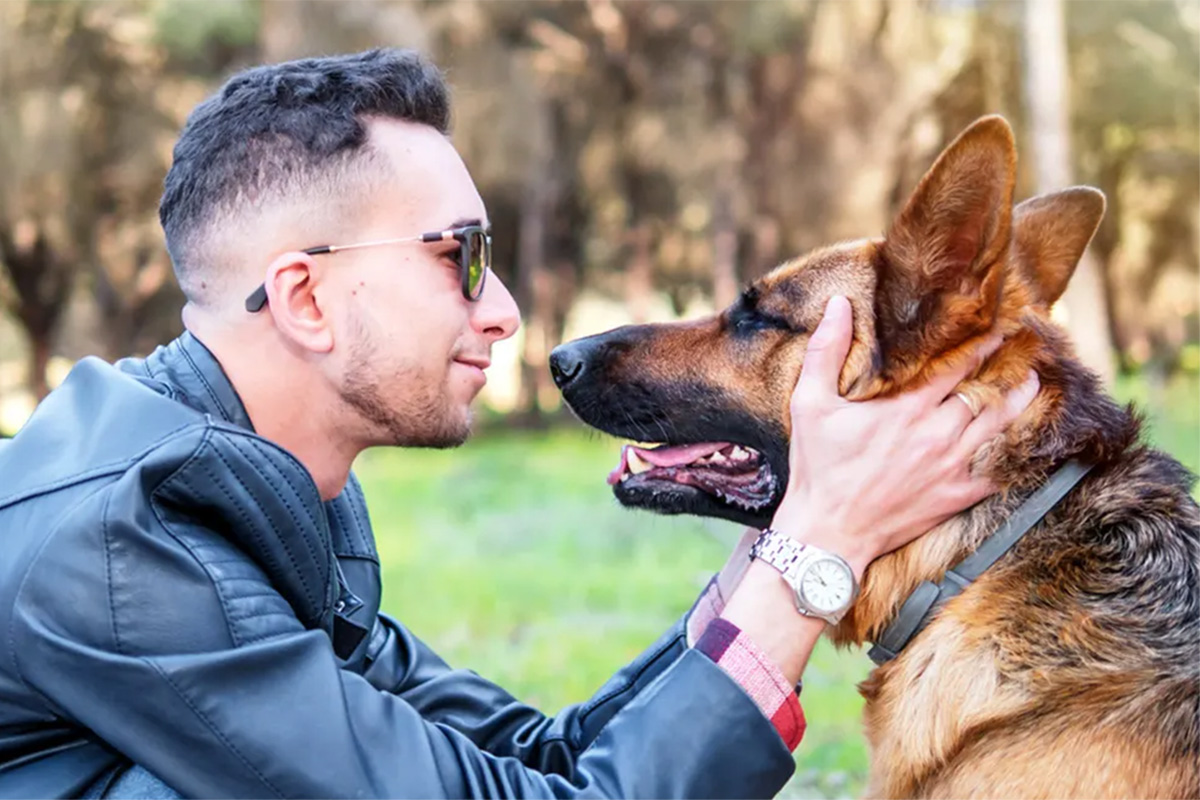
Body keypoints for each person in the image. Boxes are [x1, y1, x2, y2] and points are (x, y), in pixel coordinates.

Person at [0, 49, 1037, 798]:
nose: (501, 309)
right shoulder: (121, 550)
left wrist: (776, 545)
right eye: (459, 256)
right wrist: (817, 554)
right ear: (305, 299)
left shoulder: (251, 498)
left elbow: (541, 761)